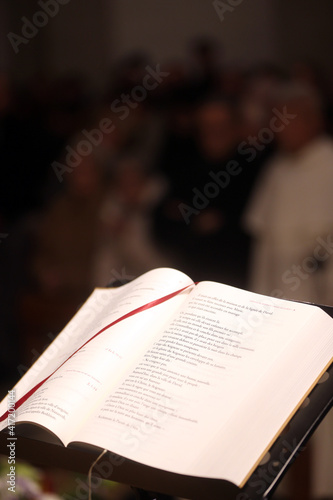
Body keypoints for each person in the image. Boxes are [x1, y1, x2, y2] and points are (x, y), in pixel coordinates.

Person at [244, 81, 333, 498]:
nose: (279, 128)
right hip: (276, 310)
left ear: (312, 119)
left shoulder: (328, 163)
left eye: (288, 118)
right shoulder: (277, 169)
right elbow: (264, 243)